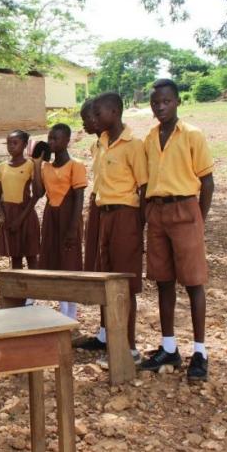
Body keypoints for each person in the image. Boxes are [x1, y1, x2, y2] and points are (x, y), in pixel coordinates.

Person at [138, 79, 215, 382]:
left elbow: (207, 182)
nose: (160, 107)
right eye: (155, 102)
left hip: (185, 210)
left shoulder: (192, 135)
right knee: (163, 280)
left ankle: (200, 351)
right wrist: (147, 212)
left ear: (178, 102)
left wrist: (199, 219)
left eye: (166, 101)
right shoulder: (149, 138)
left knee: (194, 282)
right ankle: (169, 346)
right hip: (157, 211)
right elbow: (145, 182)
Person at [92, 92, 148, 365]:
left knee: (125, 284)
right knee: (109, 282)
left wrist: (139, 224)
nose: (95, 118)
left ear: (114, 112)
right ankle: (114, 346)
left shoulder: (133, 145)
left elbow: (144, 186)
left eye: (98, 113)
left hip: (126, 215)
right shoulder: (101, 144)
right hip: (105, 216)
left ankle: (130, 349)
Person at [35, 123, 86, 320]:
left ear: (66, 140)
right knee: (52, 258)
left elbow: (79, 198)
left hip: (69, 217)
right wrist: (36, 165)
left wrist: (73, 228)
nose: (51, 142)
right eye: (49, 138)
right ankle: (59, 311)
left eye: (55, 138)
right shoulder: (46, 167)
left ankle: (70, 314)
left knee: (69, 262)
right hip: (51, 216)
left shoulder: (76, 165)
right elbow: (39, 193)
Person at [75, 98, 112, 350]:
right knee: (99, 266)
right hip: (97, 205)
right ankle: (103, 332)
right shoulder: (96, 146)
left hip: (114, 208)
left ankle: (116, 334)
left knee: (112, 271)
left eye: (88, 117)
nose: (86, 122)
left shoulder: (120, 143)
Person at [0, 130, 41, 270]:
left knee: (31, 256)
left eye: (15, 143)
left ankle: (35, 290)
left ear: (25, 145)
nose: (11, 146)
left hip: (26, 215)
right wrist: (2, 215)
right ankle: (19, 291)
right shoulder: (2, 166)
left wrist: (20, 219)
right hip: (9, 216)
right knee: (15, 257)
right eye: (8, 143)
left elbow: (37, 194)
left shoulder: (30, 165)